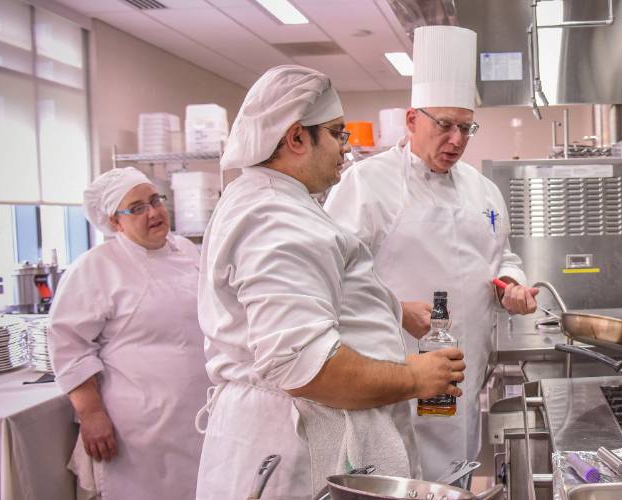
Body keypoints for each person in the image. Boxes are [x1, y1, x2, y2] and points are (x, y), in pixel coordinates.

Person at [194, 65, 465, 499]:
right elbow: (303, 365)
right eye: (338, 134)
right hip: (296, 444)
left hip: (294, 430)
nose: (347, 147)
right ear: (297, 138)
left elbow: (315, 288)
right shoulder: (274, 218)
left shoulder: (275, 200)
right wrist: (413, 377)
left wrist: (393, 310)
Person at [323, 26, 538, 481]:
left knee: (455, 472)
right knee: (404, 477)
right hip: (396, 377)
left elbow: (501, 257)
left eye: (466, 127)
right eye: (444, 125)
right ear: (411, 120)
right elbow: (332, 278)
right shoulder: (368, 185)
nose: (457, 140)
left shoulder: (483, 190)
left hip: (465, 374)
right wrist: (396, 309)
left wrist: (511, 285)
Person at [48, 167, 210, 500]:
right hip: (139, 429)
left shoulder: (186, 251)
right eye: (136, 208)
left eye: (155, 200)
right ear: (114, 222)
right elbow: (68, 346)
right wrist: (91, 414)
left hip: (197, 415)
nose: (153, 212)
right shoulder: (96, 267)